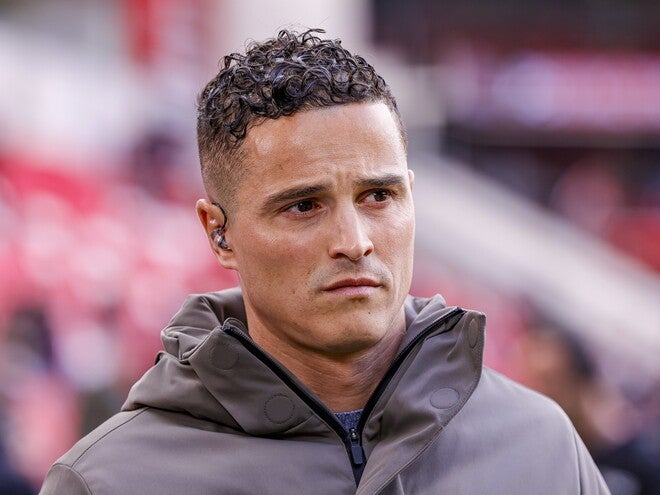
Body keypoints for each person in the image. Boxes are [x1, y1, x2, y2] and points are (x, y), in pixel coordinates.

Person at [40, 29, 610, 494]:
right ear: (219, 233)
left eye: (379, 196)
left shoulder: (542, 446)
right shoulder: (110, 482)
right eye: (304, 206)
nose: (355, 241)